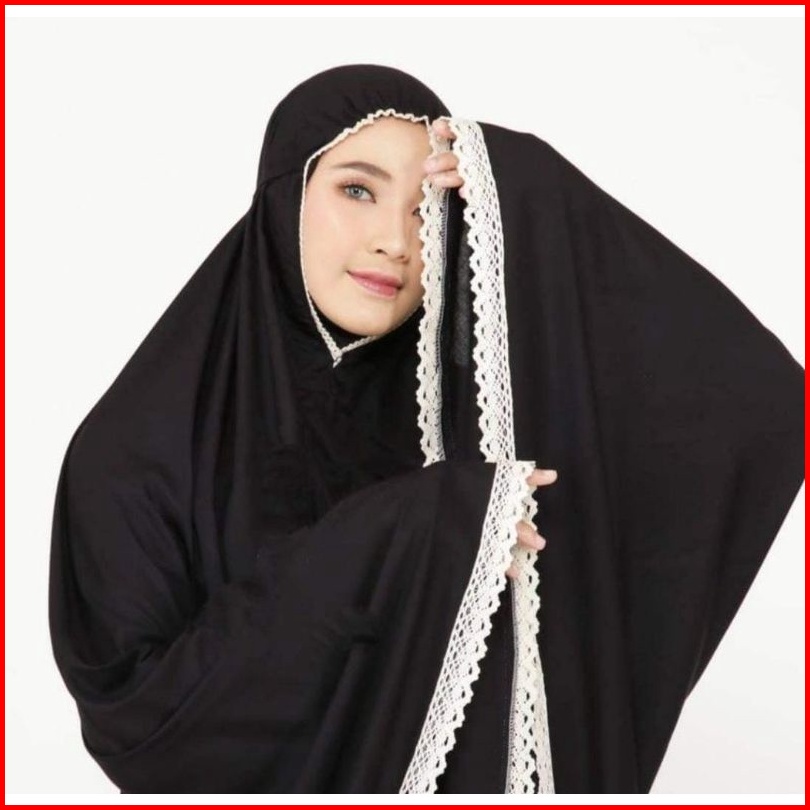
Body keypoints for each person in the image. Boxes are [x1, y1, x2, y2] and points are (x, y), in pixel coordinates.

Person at [48, 64, 804, 794]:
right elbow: (142, 731)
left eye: (424, 207)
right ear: (284, 194)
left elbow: (759, 405)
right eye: (357, 190)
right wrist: (404, 532)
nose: (396, 241)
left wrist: (536, 196)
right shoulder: (137, 450)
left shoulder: (470, 420)